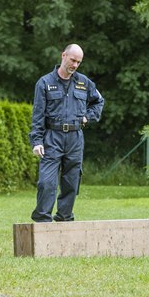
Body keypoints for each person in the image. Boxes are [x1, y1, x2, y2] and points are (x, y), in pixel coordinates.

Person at [29, 44, 104, 222]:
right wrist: (37, 141)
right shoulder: (45, 83)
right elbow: (37, 115)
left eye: (79, 62)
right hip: (52, 137)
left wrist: (88, 116)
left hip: (75, 138)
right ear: (63, 56)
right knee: (47, 182)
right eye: (73, 60)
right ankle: (42, 220)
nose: (75, 65)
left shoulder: (84, 83)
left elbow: (99, 101)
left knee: (71, 182)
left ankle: (64, 218)